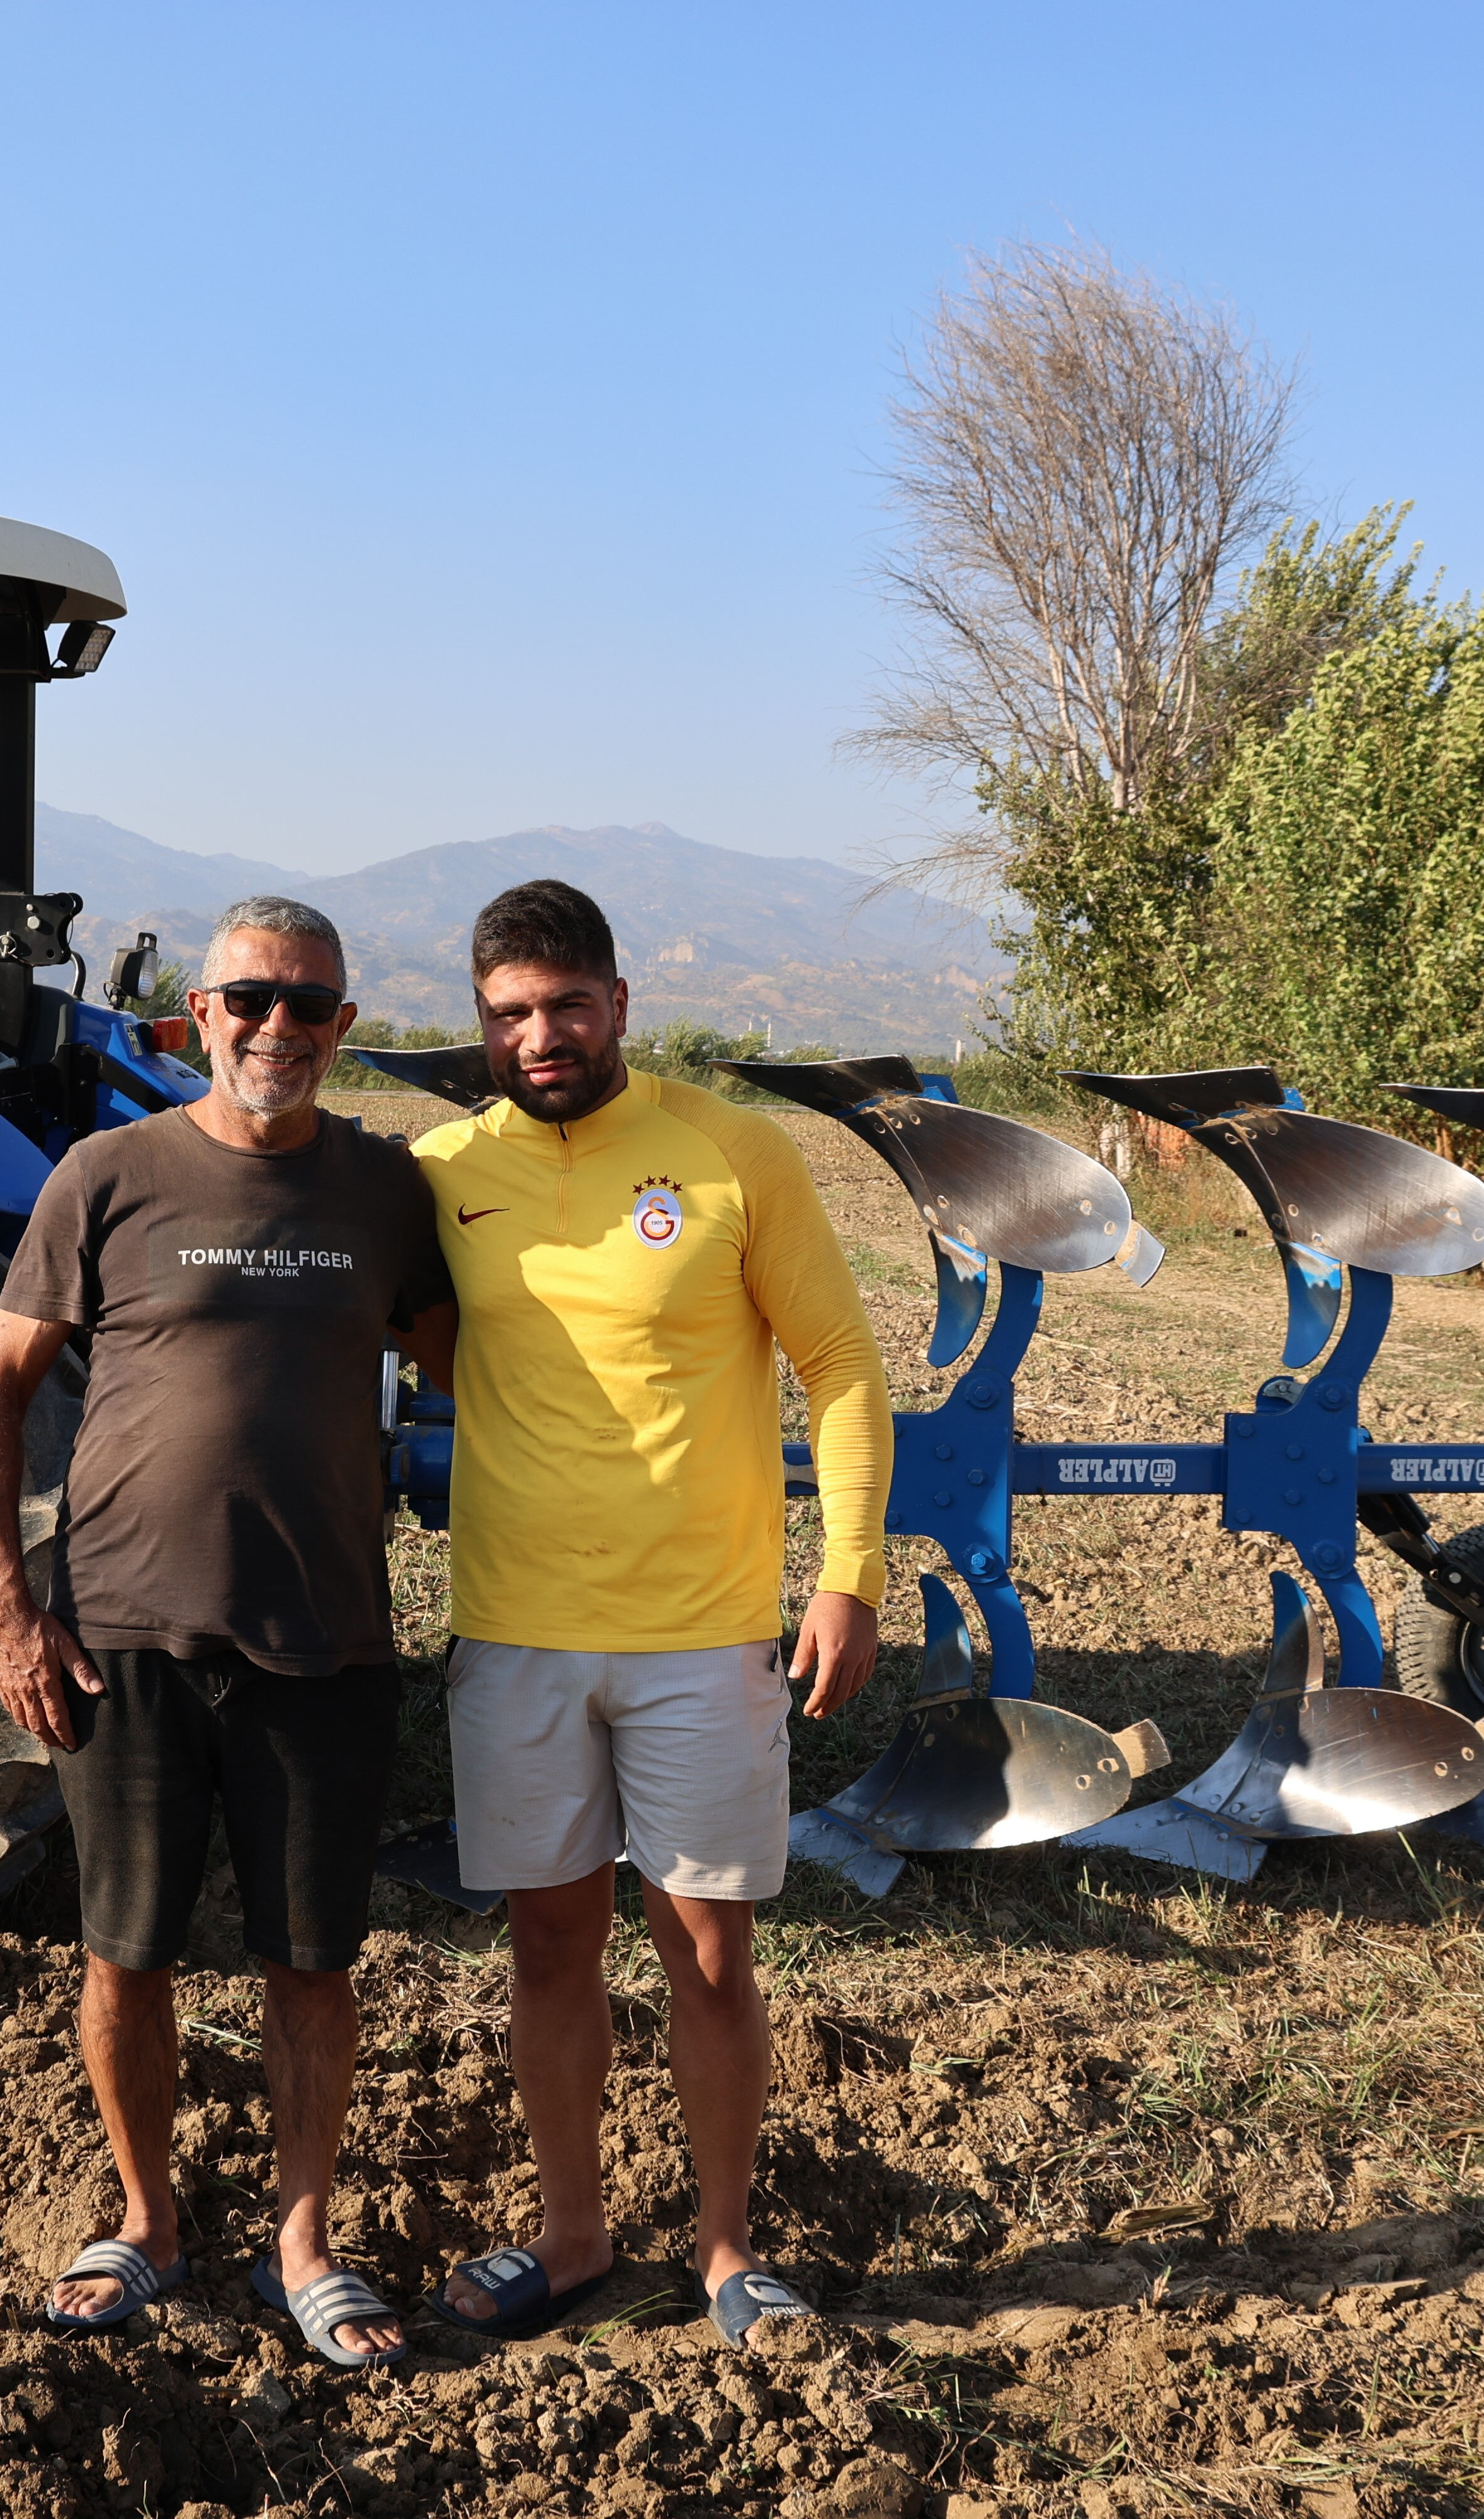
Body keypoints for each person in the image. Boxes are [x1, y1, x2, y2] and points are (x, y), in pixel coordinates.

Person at [0, 894, 454, 2370]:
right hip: (125, 1634)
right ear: (198, 1013)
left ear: (343, 1028)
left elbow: (477, 1360)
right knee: (127, 1952)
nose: (277, 1029)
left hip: (325, 1633)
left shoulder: (382, 1189)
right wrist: (6, 1601)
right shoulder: (109, 1174)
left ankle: (303, 2239)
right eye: (251, 999)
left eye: (309, 1007)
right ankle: (150, 2216)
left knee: (313, 1963)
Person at [412, 879, 888, 2352]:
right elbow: (409, 1347)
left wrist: (851, 1572)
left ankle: (729, 2248)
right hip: (517, 1635)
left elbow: (844, 1367)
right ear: (481, 1023)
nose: (540, 1034)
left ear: (620, 1002)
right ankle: (572, 2237)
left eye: (565, 1004)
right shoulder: (444, 1170)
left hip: (702, 1634)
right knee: (548, 1951)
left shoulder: (731, 1153)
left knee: (710, 1953)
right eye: (509, 1013)